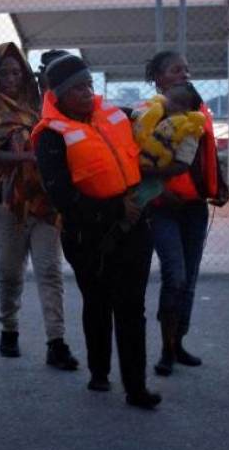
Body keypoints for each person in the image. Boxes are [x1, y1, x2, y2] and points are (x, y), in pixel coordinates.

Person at [32, 54, 161, 410]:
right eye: (77, 89)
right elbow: (63, 198)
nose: (87, 93)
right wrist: (115, 209)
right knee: (98, 301)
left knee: (132, 306)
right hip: (88, 234)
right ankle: (100, 371)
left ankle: (136, 387)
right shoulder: (50, 136)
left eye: (89, 85)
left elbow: (158, 120)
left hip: (134, 225)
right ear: (57, 96)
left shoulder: (116, 115)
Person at [0, 42, 78, 369]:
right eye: (3, 73)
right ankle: (9, 330)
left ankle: (56, 342)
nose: (11, 78)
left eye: (17, 71)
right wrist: (31, 157)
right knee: (11, 272)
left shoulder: (39, 105)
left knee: (50, 271)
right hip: (6, 203)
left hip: (44, 200)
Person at [142, 54, 228, 377]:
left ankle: (178, 344)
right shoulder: (147, 112)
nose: (184, 73)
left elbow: (207, 154)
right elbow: (138, 157)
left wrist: (218, 185)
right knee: (174, 275)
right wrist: (159, 190)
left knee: (189, 279)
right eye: (176, 69)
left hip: (194, 206)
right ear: (159, 78)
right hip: (162, 206)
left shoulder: (198, 111)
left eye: (186, 69)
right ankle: (165, 349)